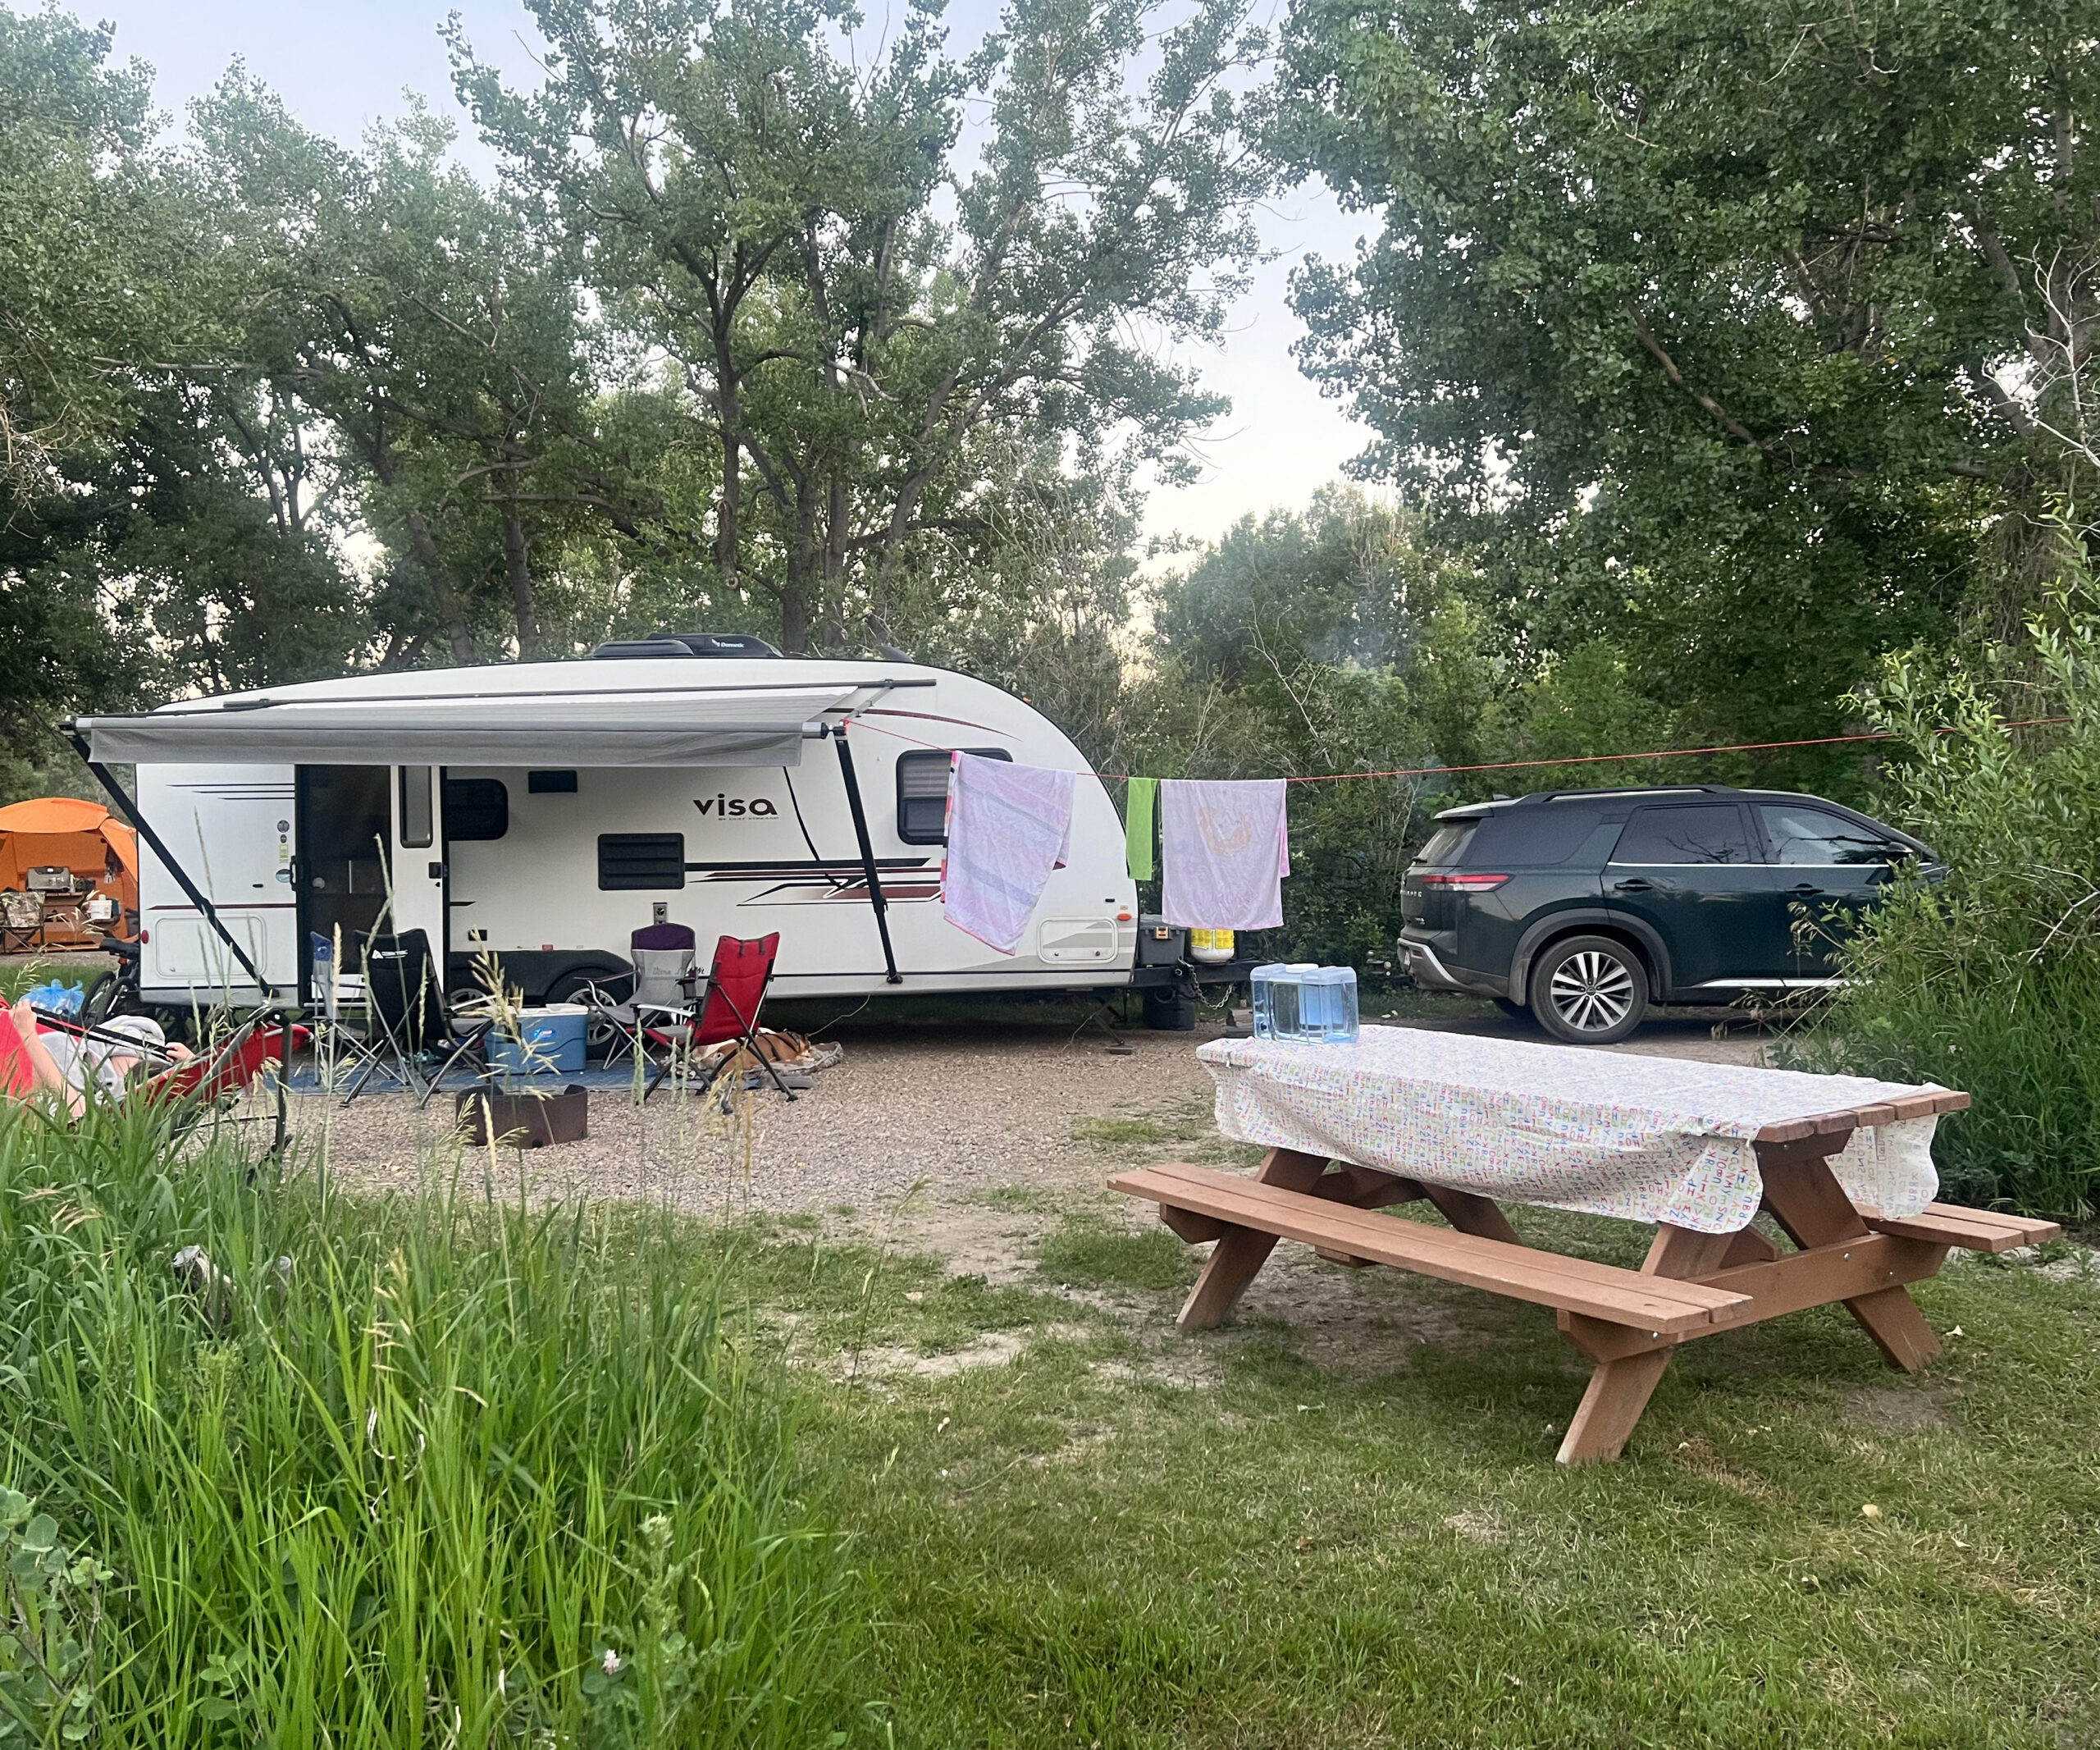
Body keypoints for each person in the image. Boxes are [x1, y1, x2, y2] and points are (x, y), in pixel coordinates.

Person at [10, 998, 191, 1118]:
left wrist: (28, 1034)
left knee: (51, 1043)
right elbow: (210, 1075)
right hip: (119, 1062)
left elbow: (78, 1111)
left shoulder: (105, 1107)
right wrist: (191, 1061)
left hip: (97, 1084)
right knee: (131, 1036)